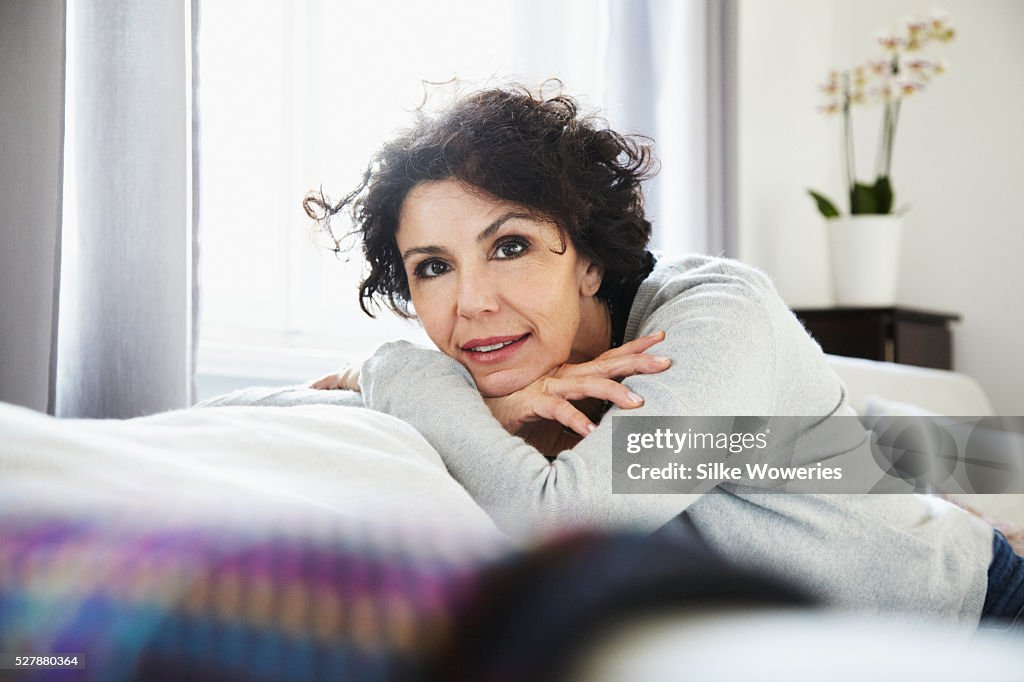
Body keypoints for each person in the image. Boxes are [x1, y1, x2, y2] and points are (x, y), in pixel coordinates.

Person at [305, 83, 1022, 629]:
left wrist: (394, 367)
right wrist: (494, 402)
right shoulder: (494, 369)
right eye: (433, 266)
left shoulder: (716, 315)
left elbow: (559, 520)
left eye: (511, 246)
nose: (471, 303)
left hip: (972, 613)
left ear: (588, 262)